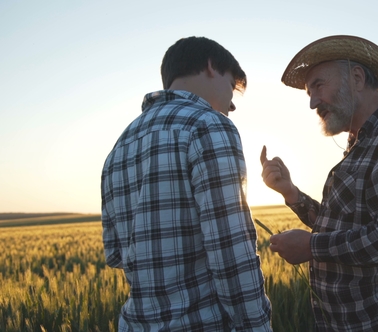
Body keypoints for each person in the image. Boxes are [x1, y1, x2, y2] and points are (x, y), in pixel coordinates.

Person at [260, 35, 378, 331]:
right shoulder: (362, 139)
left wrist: (311, 247)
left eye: (318, 85)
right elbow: (347, 225)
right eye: (309, 92)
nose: (312, 102)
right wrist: (291, 193)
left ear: (356, 78)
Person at [101, 36, 272, 332]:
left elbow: (115, 253)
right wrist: (257, 326)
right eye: (231, 86)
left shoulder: (119, 146)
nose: (231, 105)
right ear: (210, 67)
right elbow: (230, 250)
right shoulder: (207, 125)